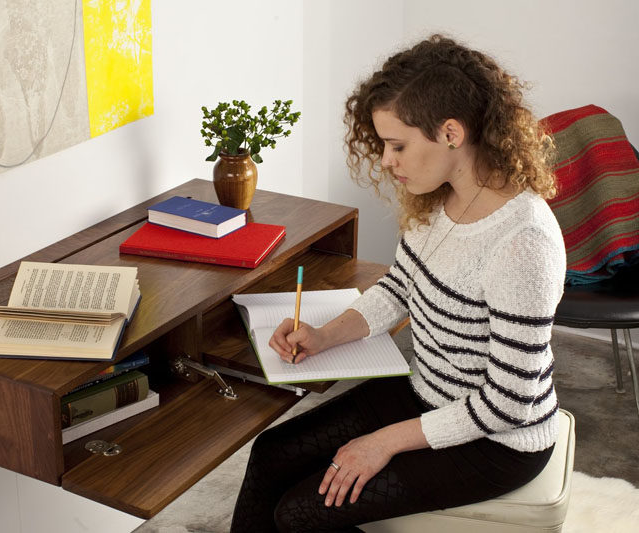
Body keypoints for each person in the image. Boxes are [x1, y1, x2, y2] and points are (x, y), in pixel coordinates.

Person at [230, 34, 566, 533]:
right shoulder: (438, 202)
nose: (387, 161)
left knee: (300, 514)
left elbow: (508, 402)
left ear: (451, 133)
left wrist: (384, 441)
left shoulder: (523, 241)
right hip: (426, 392)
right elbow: (399, 288)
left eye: (397, 145)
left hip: (497, 441)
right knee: (271, 454)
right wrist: (326, 334)